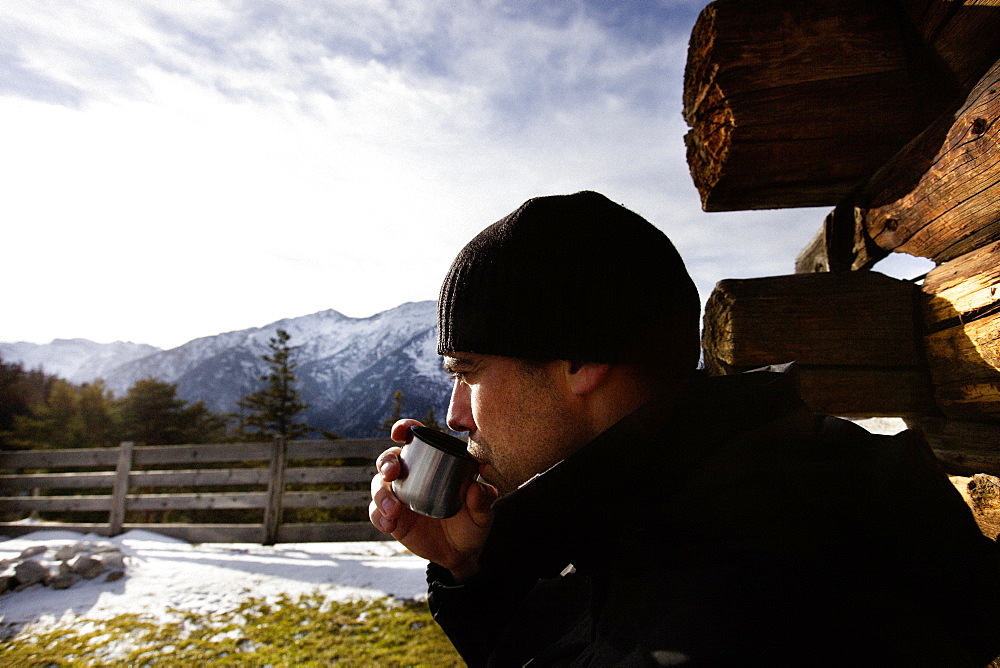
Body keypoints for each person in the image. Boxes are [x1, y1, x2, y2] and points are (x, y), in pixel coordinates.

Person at [369, 191, 1000, 666]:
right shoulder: (673, 508)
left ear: (582, 360)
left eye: (469, 373)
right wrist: (471, 570)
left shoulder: (729, 600)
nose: (454, 413)